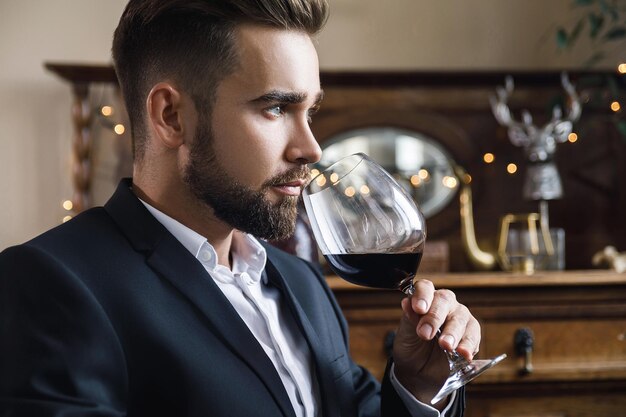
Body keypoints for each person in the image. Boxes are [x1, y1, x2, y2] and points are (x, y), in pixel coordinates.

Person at [0, 1, 481, 416]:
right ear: (172, 116)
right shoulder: (51, 284)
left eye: (308, 111)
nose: (311, 148)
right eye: (275, 108)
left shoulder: (303, 283)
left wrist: (417, 385)